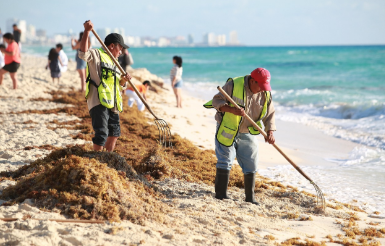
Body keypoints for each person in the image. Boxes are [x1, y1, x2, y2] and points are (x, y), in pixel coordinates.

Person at [203, 68, 276, 205]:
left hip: (247, 131)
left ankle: (250, 198)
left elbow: (269, 114)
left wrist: (270, 131)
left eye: (264, 86)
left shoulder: (265, 93)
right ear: (252, 81)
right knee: (225, 159)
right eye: (260, 85)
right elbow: (216, 101)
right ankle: (221, 194)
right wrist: (231, 110)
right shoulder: (233, 84)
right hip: (228, 127)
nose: (262, 89)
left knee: (251, 163)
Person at [78, 20, 131, 152]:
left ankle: (107, 159)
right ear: (112, 46)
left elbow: (118, 86)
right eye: (121, 48)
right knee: (101, 133)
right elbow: (83, 53)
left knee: (114, 134)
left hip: (113, 104)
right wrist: (86, 32)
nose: (122, 52)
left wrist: (123, 80)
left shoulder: (116, 64)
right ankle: (97, 158)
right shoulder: (97, 54)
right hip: (98, 101)